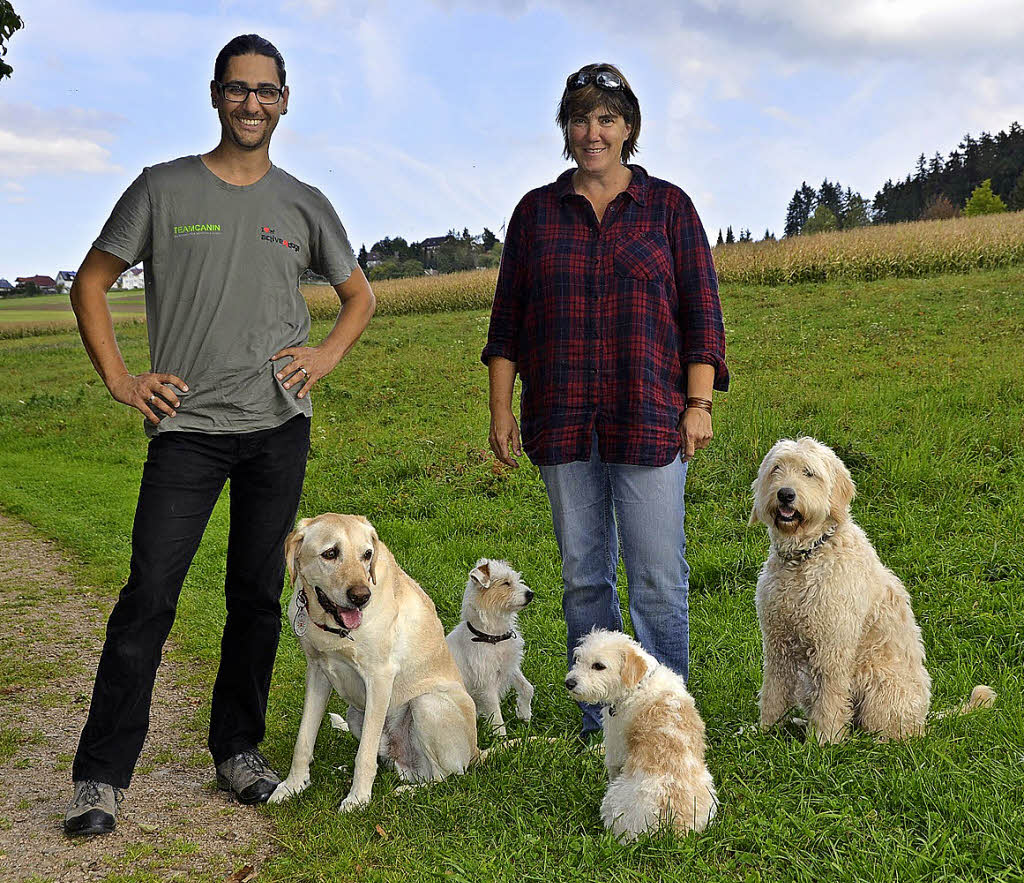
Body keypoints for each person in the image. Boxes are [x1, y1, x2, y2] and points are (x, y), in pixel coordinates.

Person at [64, 34, 375, 836]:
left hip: (277, 427)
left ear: (284, 101)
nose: (251, 104)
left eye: (266, 91)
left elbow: (358, 296)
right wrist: (123, 380)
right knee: (149, 597)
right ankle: (100, 777)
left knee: (257, 599)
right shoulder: (162, 189)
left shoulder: (304, 202)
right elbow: (91, 282)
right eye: (238, 90)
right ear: (215, 96)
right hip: (187, 430)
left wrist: (324, 355)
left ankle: (238, 750)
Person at [483, 63, 728, 741]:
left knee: (657, 579)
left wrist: (699, 402)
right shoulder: (537, 212)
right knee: (584, 579)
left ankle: (664, 715)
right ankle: (600, 719)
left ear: (630, 128)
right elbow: (509, 321)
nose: (594, 132)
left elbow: (701, 314)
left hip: (648, 419)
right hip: (561, 421)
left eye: (608, 120)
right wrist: (502, 409)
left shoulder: (669, 207)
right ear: (567, 127)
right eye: (582, 119)